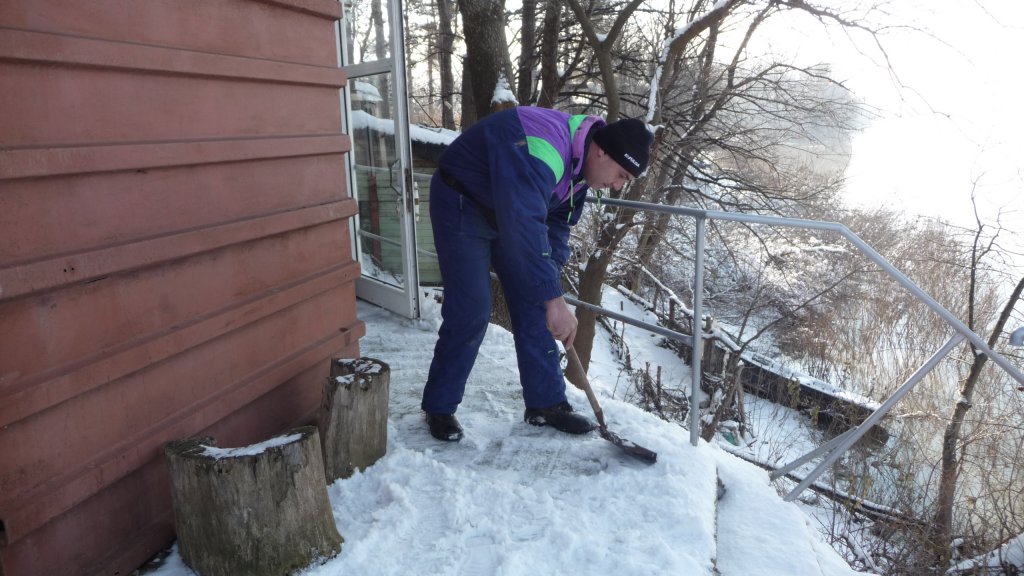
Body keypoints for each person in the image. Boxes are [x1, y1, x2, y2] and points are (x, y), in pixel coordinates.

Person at [422, 106, 655, 442]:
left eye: (625, 181)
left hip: (510, 213)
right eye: (621, 175)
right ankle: (439, 407)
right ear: (602, 151)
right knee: (471, 309)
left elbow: (556, 225)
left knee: (538, 302)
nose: (617, 187)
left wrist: (550, 289)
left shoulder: (581, 171)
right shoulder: (544, 150)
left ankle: (546, 404)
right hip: (463, 200)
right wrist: (554, 297)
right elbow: (525, 227)